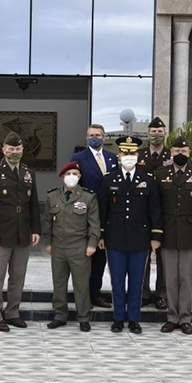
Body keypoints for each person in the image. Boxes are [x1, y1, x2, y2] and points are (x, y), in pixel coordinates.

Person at [98, 136, 163, 334]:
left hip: (140, 239)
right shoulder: (109, 180)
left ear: (137, 156)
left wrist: (156, 237)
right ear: (119, 156)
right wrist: (101, 235)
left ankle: (134, 319)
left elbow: (155, 210)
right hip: (115, 238)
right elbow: (103, 210)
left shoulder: (147, 180)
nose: (128, 157)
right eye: (125, 153)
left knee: (136, 281)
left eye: (132, 154)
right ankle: (118, 318)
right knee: (117, 280)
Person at [0, 131, 41, 332]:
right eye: (11, 149)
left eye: (18, 149)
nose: (14, 152)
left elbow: (33, 204)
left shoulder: (28, 172)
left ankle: (13, 312)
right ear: (3, 149)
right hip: (0, 232)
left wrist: (36, 230)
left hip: (22, 232)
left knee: (18, 277)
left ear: (23, 150)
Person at [154, 137, 192, 335]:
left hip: (190, 232)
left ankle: (185, 317)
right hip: (168, 232)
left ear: (189, 152)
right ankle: (171, 317)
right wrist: (156, 234)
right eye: (177, 151)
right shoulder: (160, 174)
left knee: (186, 278)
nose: (180, 154)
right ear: (171, 152)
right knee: (170, 278)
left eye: (184, 151)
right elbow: (156, 207)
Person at [43, 161, 100, 332]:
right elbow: (47, 221)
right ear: (62, 177)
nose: (72, 177)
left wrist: (92, 244)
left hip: (79, 247)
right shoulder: (52, 196)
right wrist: (48, 242)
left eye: (75, 174)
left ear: (80, 177)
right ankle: (60, 315)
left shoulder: (88, 197)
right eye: (69, 174)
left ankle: (83, 317)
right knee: (59, 283)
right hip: (59, 246)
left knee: (81, 284)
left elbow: (94, 224)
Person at [71, 123, 118, 309]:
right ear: (86, 137)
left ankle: (95, 294)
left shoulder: (113, 158)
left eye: (98, 135)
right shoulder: (79, 158)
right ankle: (83, 297)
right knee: (85, 259)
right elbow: (75, 184)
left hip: (109, 214)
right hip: (86, 213)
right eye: (91, 134)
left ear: (104, 137)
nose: (95, 137)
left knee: (100, 259)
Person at [136, 116, 172, 310]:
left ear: (165, 134)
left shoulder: (171, 156)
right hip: (143, 213)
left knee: (163, 258)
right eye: (153, 131)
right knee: (143, 256)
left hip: (165, 212)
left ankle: (161, 294)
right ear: (147, 134)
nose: (156, 134)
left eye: (160, 131)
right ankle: (143, 293)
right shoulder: (139, 155)